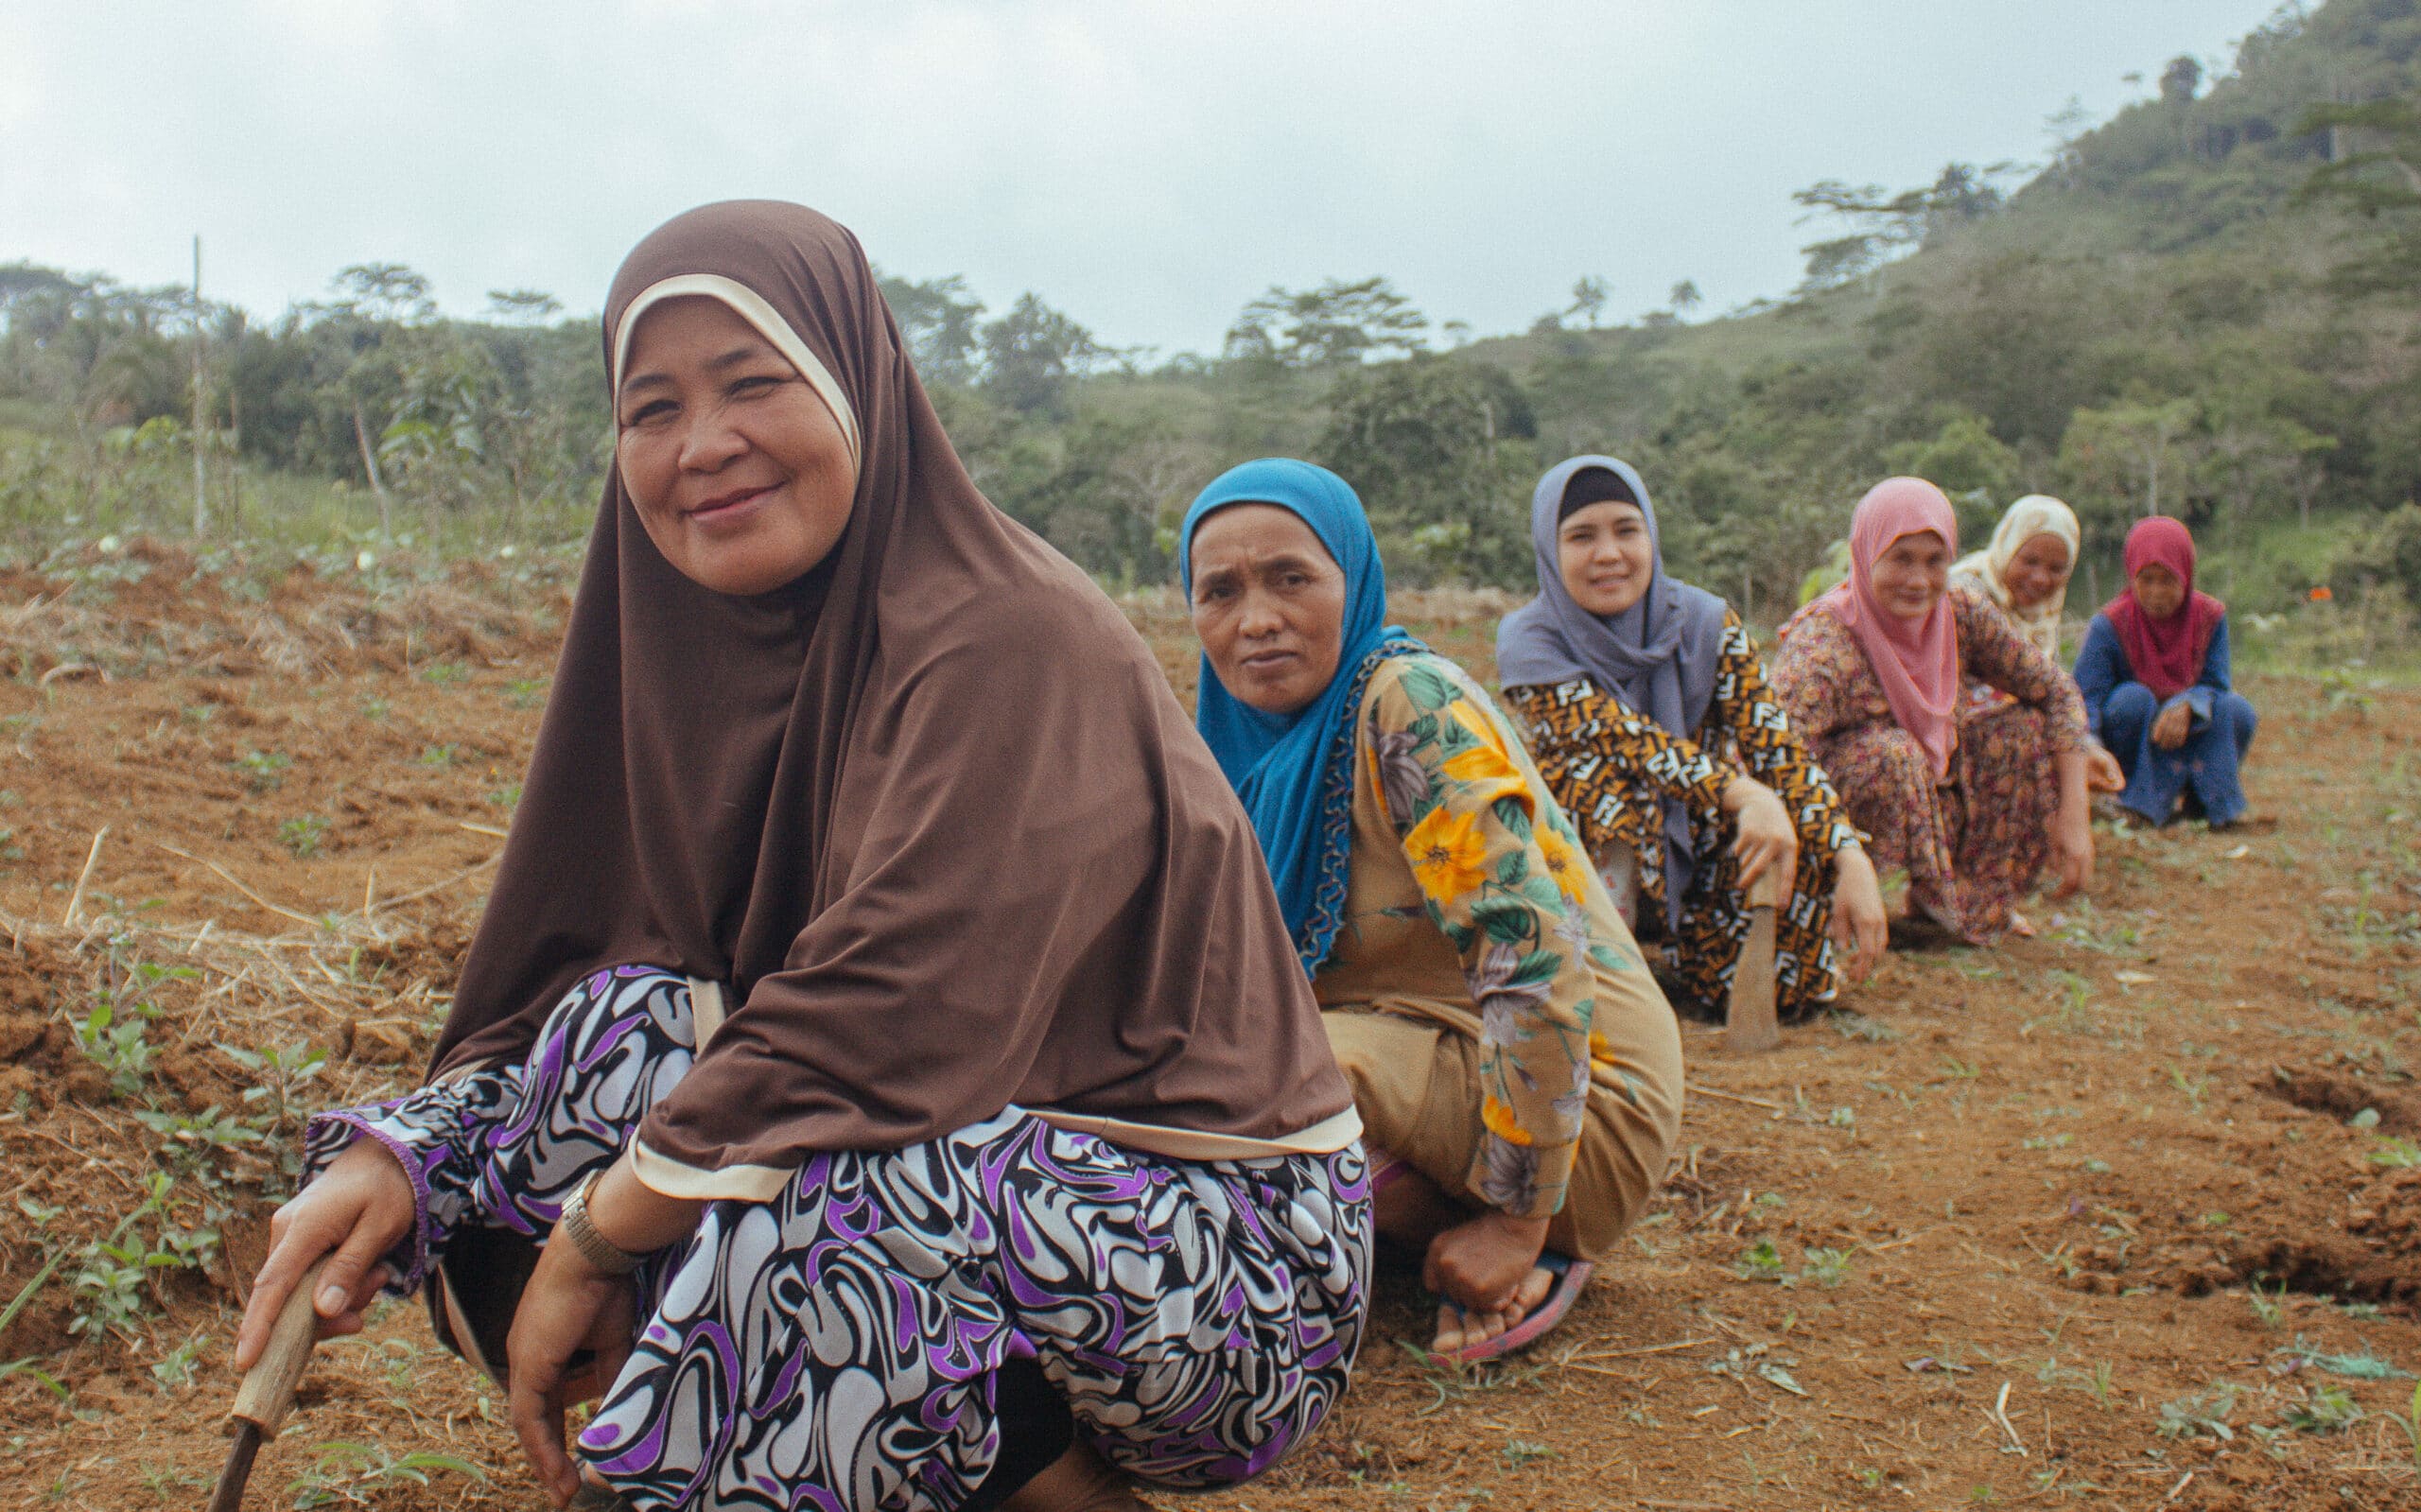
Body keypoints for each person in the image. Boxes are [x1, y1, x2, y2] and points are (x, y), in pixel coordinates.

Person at [235, 203, 1371, 1512]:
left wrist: (596, 1238)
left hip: (1234, 1265)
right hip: (982, 1166)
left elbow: (886, 1032)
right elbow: (605, 1000)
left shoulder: (1008, 636)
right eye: (650, 407)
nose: (703, 445)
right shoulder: (694, 656)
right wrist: (407, 1153)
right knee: (628, 1033)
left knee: (822, 1175)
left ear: (856, 380)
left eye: (754, 382)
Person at [1179, 458, 1682, 1365]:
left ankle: (1526, 1240)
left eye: (1292, 578)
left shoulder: (1410, 707)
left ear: (1353, 575)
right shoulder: (1235, 747)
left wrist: (1519, 1223)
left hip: (1589, 1108)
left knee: (1262, 1075)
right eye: (1219, 591)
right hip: (1430, 1051)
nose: (1255, 619)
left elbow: (1533, 960)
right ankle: (1420, 1221)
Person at [1496, 457, 1888, 1020]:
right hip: (1589, 857)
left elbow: (1776, 747)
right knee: (1594, 780)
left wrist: (1847, 853)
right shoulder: (1530, 641)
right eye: (1582, 536)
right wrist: (1747, 794)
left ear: (1651, 536)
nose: (1609, 553)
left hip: (1697, 843)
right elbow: (1628, 742)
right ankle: (1599, 975)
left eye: (1627, 530)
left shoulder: (1706, 623)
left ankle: (1708, 969)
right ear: (1550, 551)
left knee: (1795, 831)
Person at [1769, 478, 2094, 944]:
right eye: (1900, 558)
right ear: (1866, 554)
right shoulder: (1826, 644)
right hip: (1827, 817)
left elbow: (2057, 691)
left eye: (1934, 560)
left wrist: (2075, 813)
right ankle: (1831, 905)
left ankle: (1966, 905)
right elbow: (1771, 757)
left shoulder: (1958, 610)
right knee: (1893, 754)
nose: (1918, 580)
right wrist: (1839, 852)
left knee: (2018, 729)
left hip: (1931, 789)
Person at [2071, 515, 2257, 827]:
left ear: (2186, 575)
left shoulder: (2210, 617)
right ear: (2132, 576)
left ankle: (2208, 804)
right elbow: (2083, 697)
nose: (2157, 592)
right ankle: (2132, 802)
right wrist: (2089, 747)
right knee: (2132, 699)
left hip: (2189, 730)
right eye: (2146, 579)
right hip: (2136, 734)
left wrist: (2188, 704)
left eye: (2168, 580)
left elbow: (2216, 682)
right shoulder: (2110, 624)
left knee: (2236, 710)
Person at [1948, 494, 2126, 793]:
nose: (2041, 578)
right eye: (2029, 561)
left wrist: (2084, 750)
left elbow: (2045, 686)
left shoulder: (2041, 615)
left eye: (2056, 568)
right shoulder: (1963, 592)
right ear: (2007, 548)